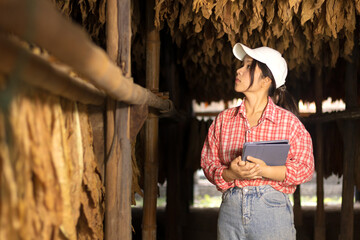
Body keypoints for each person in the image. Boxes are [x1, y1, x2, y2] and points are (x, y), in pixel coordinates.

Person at [201, 43, 314, 240]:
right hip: (231, 211)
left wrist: (264, 171)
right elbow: (208, 163)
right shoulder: (223, 120)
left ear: (266, 80)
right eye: (241, 65)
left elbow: (305, 168)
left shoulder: (289, 123)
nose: (239, 70)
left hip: (272, 210)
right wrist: (229, 173)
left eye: (248, 66)